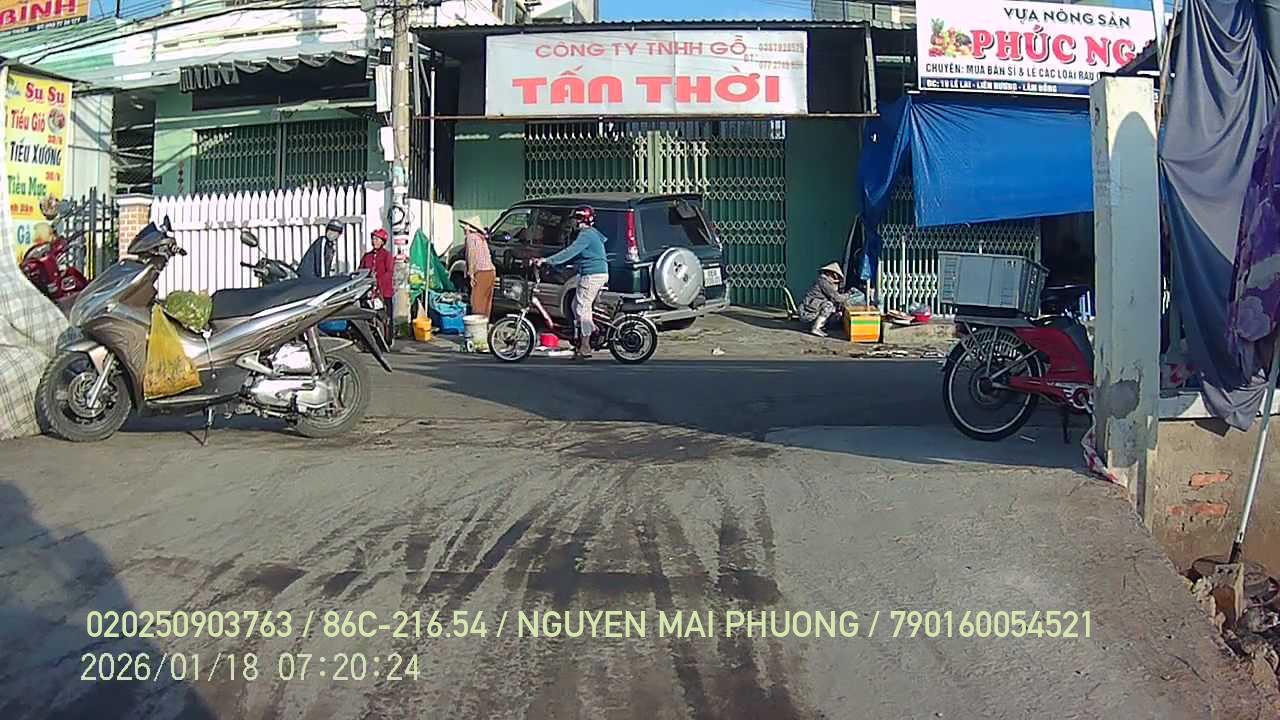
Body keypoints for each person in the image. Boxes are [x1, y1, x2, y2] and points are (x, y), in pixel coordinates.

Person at [535, 206, 609, 359]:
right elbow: (575, 257)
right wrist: (554, 265)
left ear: (583, 220)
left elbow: (570, 252)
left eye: (576, 219)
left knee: (582, 308)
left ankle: (586, 346)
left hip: (592, 275)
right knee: (575, 305)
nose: (573, 222)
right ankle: (591, 331)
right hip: (594, 273)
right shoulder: (592, 234)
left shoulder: (586, 235)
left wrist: (547, 260)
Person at [800, 262, 851, 337]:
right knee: (829, 305)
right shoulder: (823, 282)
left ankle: (819, 326)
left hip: (811, 310)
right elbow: (837, 298)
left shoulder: (824, 281)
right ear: (830, 273)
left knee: (834, 309)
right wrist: (848, 295)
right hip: (807, 312)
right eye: (835, 275)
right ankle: (816, 328)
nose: (836, 278)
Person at [461, 215, 496, 318]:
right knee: (486, 302)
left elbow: (471, 256)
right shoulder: (481, 238)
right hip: (491, 271)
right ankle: (485, 322)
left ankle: (477, 324)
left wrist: (471, 274)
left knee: (477, 301)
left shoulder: (471, 238)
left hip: (481, 271)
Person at [360, 228, 395, 326]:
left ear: (382, 242)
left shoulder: (387, 255)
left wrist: (378, 282)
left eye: (377, 239)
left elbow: (389, 272)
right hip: (369, 292)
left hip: (384, 292)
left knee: (385, 318)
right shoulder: (367, 256)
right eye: (373, 239)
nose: (374, 241)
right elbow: (361, 271)